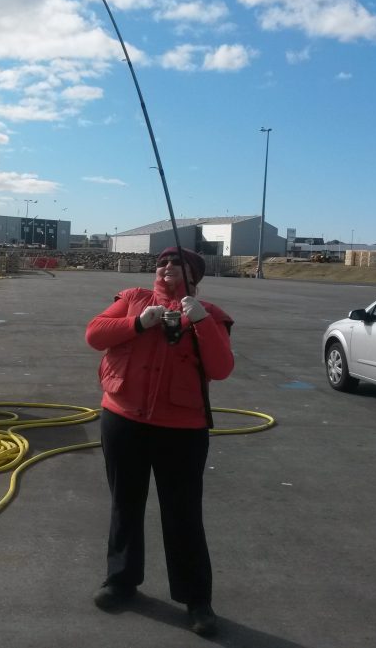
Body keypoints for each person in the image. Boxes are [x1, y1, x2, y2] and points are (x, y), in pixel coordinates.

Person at [85, 246, 234, 637]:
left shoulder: (211, 314)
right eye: (162, 262)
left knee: (183, 513)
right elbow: (94, 334)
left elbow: (221, 368)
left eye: (177, 263)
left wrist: (199, 321)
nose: (166, 267)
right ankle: (120, 580)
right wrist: (138, 322)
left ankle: (196, 598)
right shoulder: (132, 299)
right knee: (125, 503)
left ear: (194, 276)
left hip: (183, 428)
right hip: (122, 419)